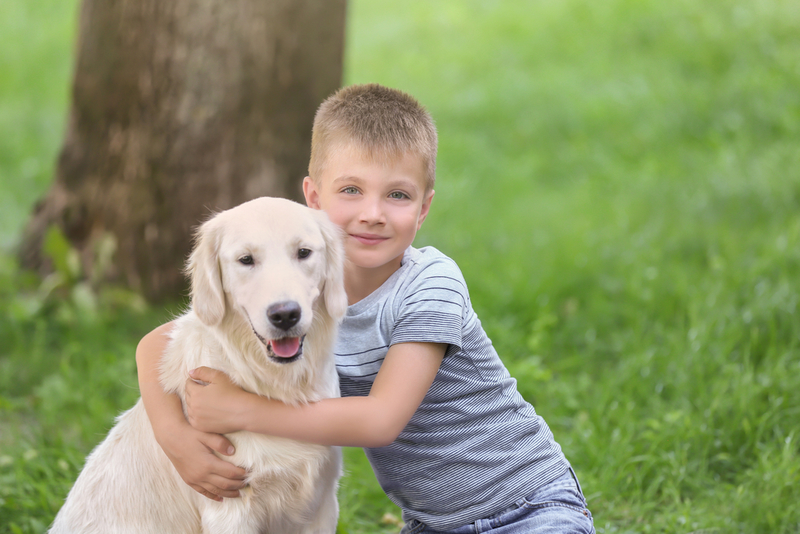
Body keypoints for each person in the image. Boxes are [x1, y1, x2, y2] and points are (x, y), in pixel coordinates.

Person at [136, 83, 595, 533]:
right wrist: (172, 435)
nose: (372, 213)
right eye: (351, 190)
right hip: (432, 524)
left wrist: (241, 411)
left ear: (423, 208)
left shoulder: (430, 283)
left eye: (397, 195)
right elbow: (156, 344)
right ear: (313, 199)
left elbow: (380, 421)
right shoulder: (296, 293)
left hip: (529, 505)